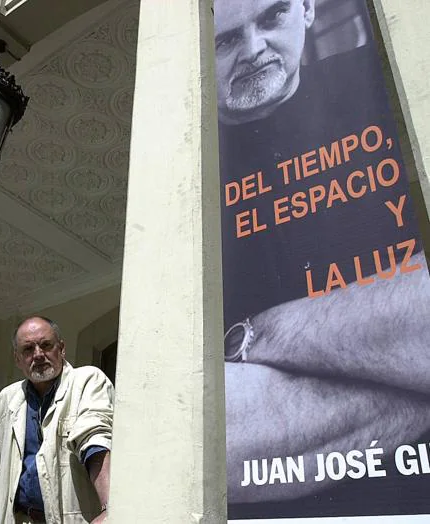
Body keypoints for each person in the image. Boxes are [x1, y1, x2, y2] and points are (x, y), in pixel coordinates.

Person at [213, 0, 430, 518]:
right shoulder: (185, 181)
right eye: (224, 40)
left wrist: (255, 339)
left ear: (308, 8)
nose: (254, 49)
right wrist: (404, 353)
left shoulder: (390, 85)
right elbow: (218, 436)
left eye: (272, 17)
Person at [0, 316, 113, 524]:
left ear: (61, 348)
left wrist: (110, 509)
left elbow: (95, 439)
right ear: (17, 359)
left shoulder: (87, 381)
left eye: (46, 345)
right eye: (28, 349)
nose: (38, 355)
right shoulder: (5, 400)